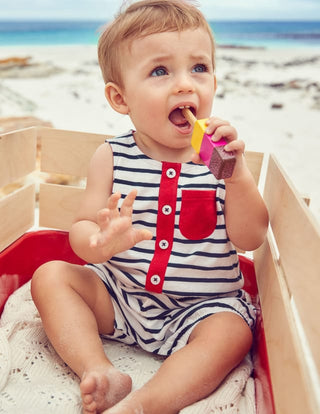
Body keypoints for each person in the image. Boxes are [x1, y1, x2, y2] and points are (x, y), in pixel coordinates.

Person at [31, 1, 269, 413]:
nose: (185, 85)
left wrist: (238, 177)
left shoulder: (219, 161)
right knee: (50, 275)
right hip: (121, 297)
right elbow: (82, 229)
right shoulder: (112, 156)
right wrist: (100, 243)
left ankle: (148, 403)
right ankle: (100, 370)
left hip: (201, 310)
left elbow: (250, 237)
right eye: (161, 71)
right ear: (120, 98)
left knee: (233, 332)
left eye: (199, 68)